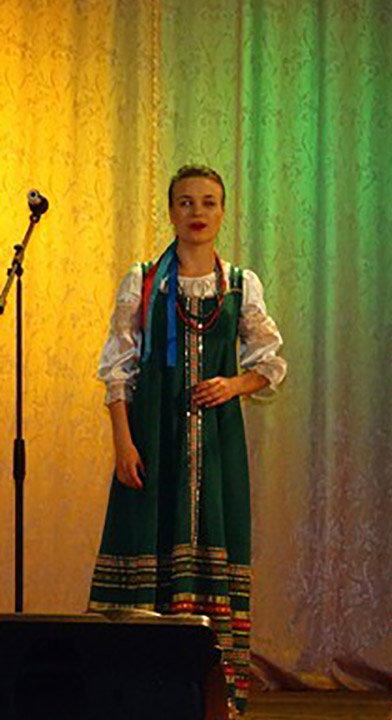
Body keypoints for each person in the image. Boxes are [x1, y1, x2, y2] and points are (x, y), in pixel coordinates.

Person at [91, 164, 287, 716]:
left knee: (212, 546)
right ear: (171, 210)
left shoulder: (239, 284)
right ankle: (132, 691)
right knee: (147, 545)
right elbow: (118, 368)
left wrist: (232, 384)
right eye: (185, 202)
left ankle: (210, 692)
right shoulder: (144, 281)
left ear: (222, 211)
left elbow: (270, 363)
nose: (197, 212)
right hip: (154, 438)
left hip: (217, 445)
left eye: (208, 202)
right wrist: (123, 442)